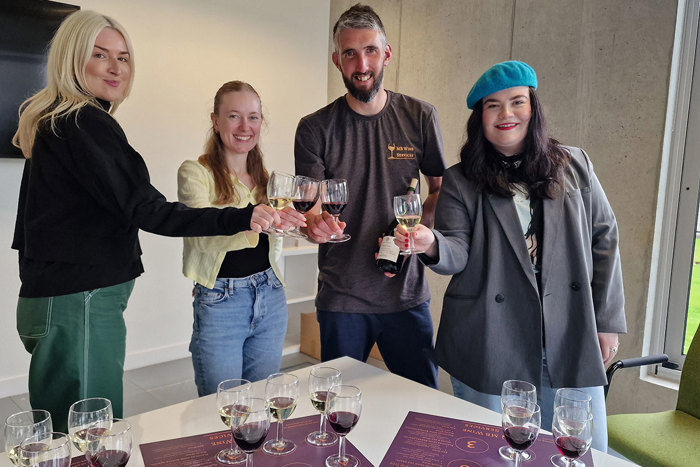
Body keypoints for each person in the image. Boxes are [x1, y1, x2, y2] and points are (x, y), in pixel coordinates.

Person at [10, 11, 304, 431]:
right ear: (73, 59)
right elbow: (147, 209)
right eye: (100, 55)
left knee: (69, 429)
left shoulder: (60, 121)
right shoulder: (82, 122)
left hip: (64, 296)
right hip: (81, 299)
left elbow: (30, 228)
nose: (116, 68)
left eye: (124, 57)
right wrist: (245, 216)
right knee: (91, 433)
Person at [395, 60, 626, 450]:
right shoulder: (461, 179)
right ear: (479, 117)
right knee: (495, 451)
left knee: (578, 450)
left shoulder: (574, 165)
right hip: (491, 335)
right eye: (493, 106)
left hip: (568, 329)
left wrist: (605, 321)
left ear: (532, 108)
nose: (506, 114)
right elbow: (458, 249)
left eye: (517, 102)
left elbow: (604, 240)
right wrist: (430, 243)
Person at [294, 3, 446, 388]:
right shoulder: (314, 128)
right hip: (342, 298)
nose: (361, 63)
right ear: (337, 60)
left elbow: (439, 188)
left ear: (387, 54)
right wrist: (316, 228)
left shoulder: (420, 117)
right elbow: (310, 211)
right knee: (335, 410)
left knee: (423, 406)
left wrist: (419, 230)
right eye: (350, 53)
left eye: (370, 50)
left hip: (406, 294)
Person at [178, 81, 292, 396]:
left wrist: (294, 224)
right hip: (220, 301)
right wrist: (254, 222)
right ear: (215, 121)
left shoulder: (268, 180)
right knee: (221, 408)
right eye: (233, 116)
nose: (245, 127)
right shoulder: (194, 172)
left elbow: (274, 238)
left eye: (253, 117)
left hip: (270, 294)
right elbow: (201, 236)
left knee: (262, 402)